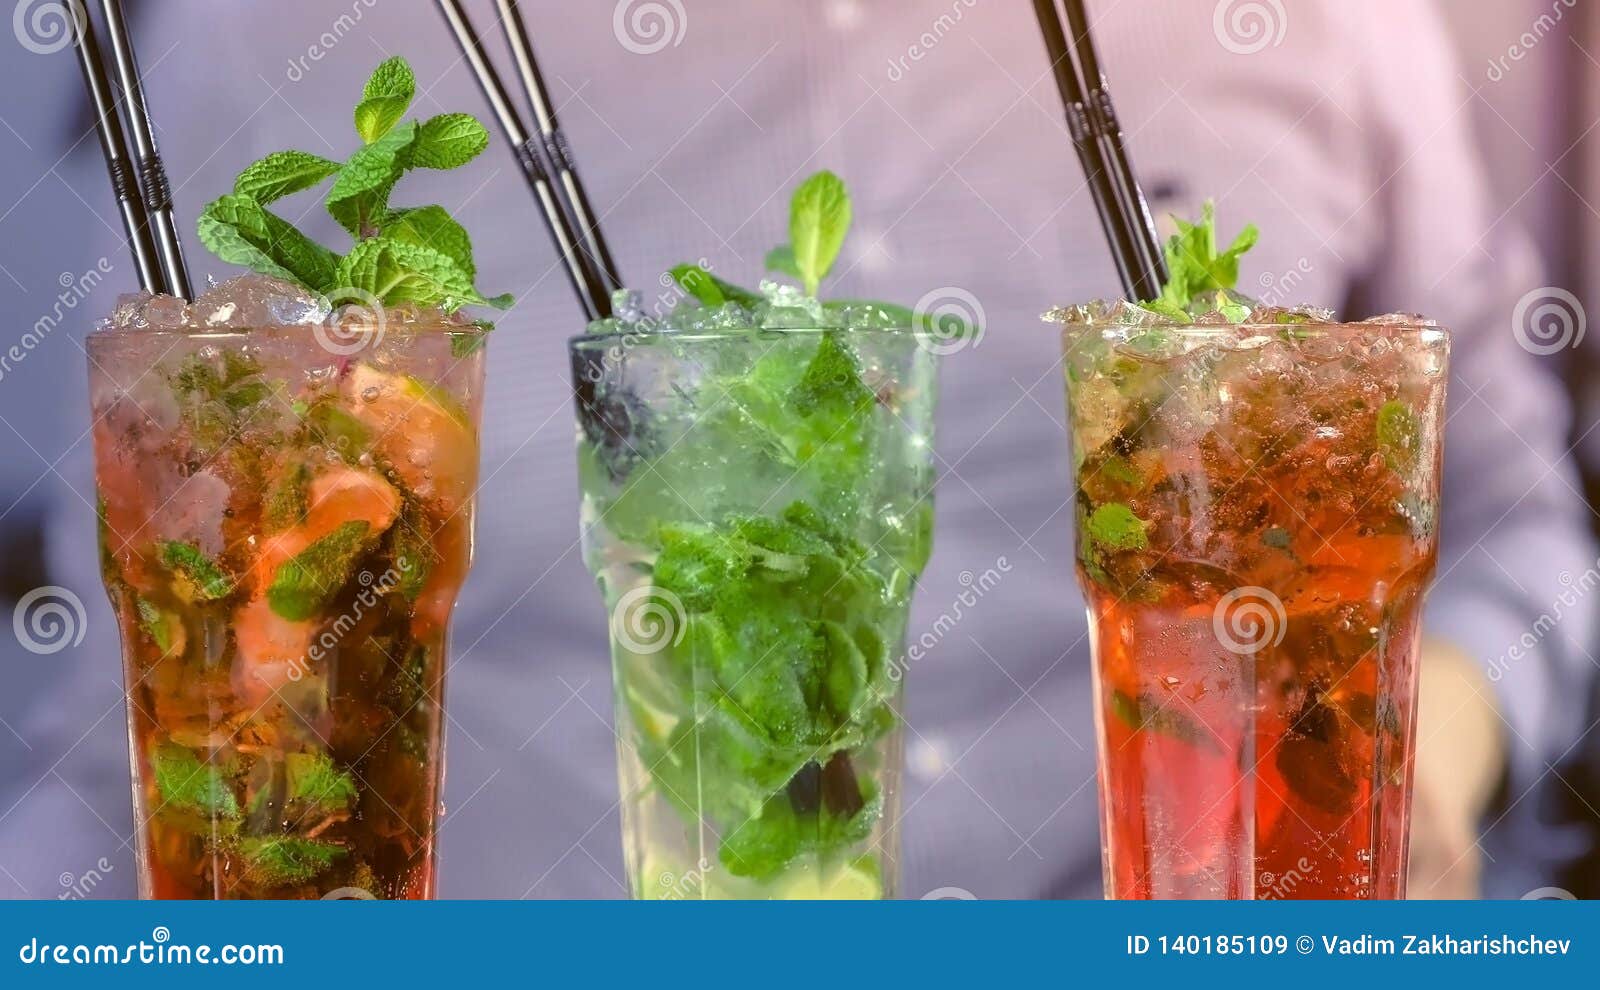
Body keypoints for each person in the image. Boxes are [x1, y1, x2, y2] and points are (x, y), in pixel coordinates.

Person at [0, 0, 1591, 899]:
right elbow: (146, 689)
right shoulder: (272, 32)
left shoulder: (1321, 23)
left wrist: (1425, 759)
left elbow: (1524, 517)